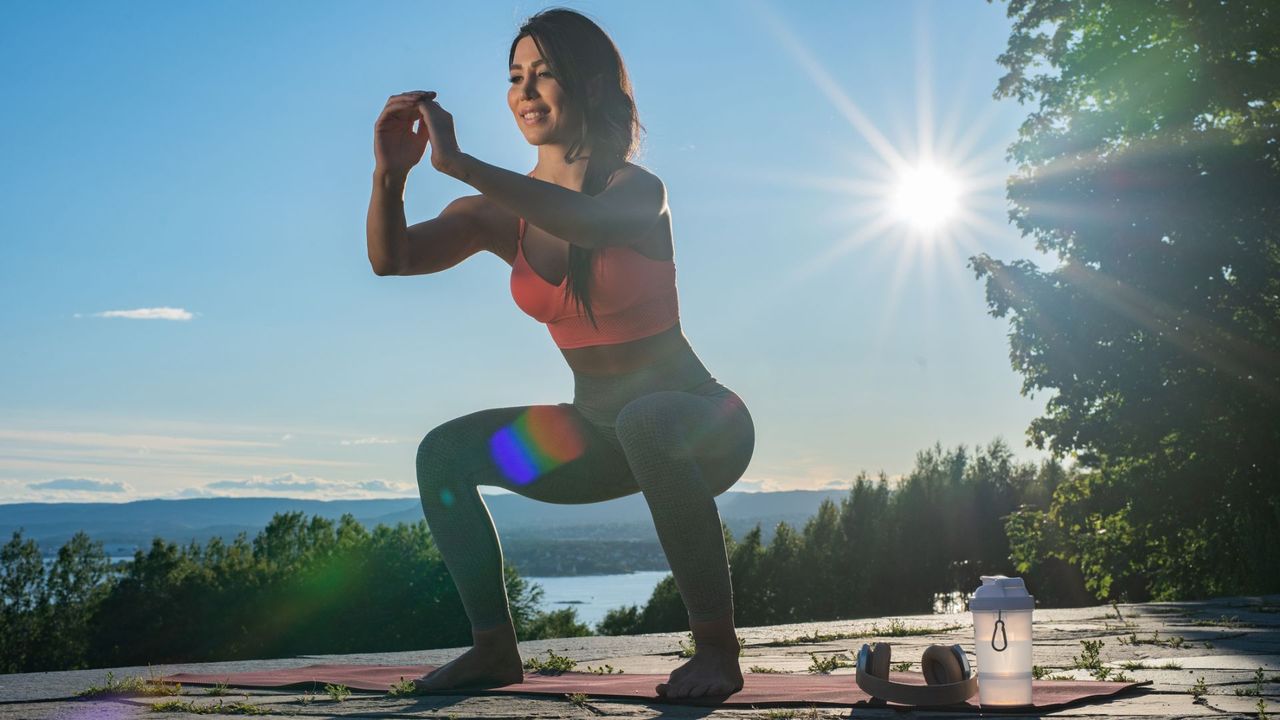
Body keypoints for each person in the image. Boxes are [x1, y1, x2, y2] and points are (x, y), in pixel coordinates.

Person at [366, 7, 755, 701]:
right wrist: (391, 175)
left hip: (702, 424)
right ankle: (492, 650)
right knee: (444, 453)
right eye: (515, 77)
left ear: (594, 87)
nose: (526, 92)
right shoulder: (496, 214)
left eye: (545, 75)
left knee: (646, 420)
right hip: (594, 441)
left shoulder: (636, 190)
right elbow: (391, 260)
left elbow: (589, 223)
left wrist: (461, 165)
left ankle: (717, 653)